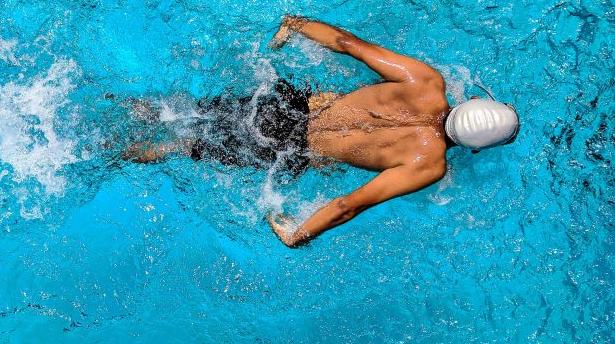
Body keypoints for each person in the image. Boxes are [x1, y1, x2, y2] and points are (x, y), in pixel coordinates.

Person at [123, 16, 519, 248]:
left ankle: (127, 106)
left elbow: (348, 43)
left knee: (181, 112)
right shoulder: (428, 164)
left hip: (286, 105)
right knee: (183, 146)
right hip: (288, 150)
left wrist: (296, 25)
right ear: (476, 148)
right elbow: (350, 204)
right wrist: (299, 234)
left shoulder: (426, 81)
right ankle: (115, 153)